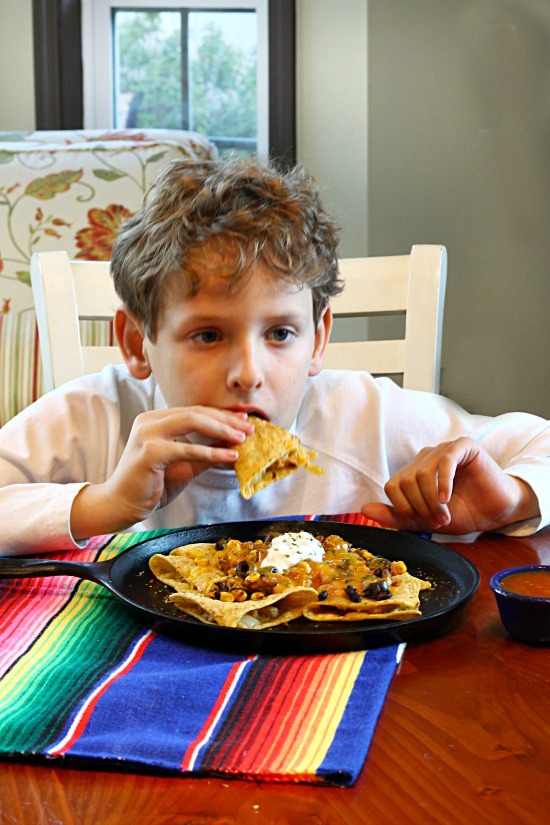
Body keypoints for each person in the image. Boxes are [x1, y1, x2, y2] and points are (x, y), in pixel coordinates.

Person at [0, 156, 548, 557]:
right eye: (208, 336)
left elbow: (537, 444)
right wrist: (101, 504)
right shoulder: (97, 418)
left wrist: (512, 499)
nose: (248, 374)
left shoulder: (365, 417)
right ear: (135, 342)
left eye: (281, 334)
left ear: (318, 338)